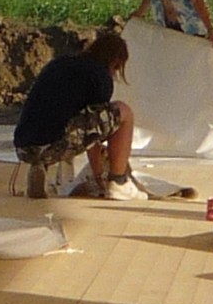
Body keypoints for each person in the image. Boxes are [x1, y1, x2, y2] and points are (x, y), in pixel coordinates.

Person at [13, 28, 141, 201]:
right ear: (115, 63)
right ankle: (118, 182)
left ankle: (39, 165)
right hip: (55, 145)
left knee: (54, 119)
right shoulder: (100, 76)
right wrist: (98, 175)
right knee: (124, 112)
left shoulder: (59, 63)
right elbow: (93, 134)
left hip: (24, 147)